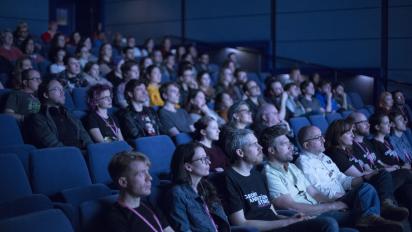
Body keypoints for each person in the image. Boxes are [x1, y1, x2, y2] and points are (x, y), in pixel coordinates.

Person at [220, 128, 340, 231]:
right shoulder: (228, 179)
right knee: (328, 224)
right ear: (240, 152)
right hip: (267, 229)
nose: (260, 147)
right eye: (254, 144)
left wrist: (295, 219)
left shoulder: (256, 175)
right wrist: (286, 222)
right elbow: (240, 223)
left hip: (279, 225)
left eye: (258, 143)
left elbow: (273, 213)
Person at [296, 125, 404, 231]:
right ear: (306, 145)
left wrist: (365, 177)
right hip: (331, 200)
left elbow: (342, 179)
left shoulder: (324, 157)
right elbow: (317, 190)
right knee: (366, 189)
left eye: (322, 136)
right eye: (318, 138)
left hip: (344, 195)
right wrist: (345, 197)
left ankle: (378, 214)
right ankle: (377, 216)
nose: (323, 140)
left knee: (378, 177)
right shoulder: (303, 162)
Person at [260, 125, 358, 229]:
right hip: (306, 219)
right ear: (271, 151)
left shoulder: (292, 167)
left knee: (362, 198)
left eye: (289, 142)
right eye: (284, 144)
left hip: (320, 212)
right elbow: (289, 206)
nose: (291, 146)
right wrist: (332, 206)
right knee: (357, 214)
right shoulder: (269, 174)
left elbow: (314, 193)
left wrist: (335, 204)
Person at [324, 119, 408, 221]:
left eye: (352, 132)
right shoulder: (335, 153)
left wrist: (372, 171)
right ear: (338, 135)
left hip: (367, 182)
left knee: (405, 183)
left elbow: (367, 167)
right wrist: (373, 172)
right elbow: (357, 176)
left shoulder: (348, 150)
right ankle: (386, 204)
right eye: (348, 132)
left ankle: (388, 205)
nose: (353, 135)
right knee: (392, 174)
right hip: (360, 188)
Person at [348, 111, 412, 227]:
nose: (368, 124)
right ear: (353, 126)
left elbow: (378, 162)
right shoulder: (351, 146)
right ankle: (387, 207)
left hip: (383, 177)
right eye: (363, 122)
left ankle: (392, 210)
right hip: (373, 181)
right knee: (405, 174)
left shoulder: (367, 142)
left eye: (367, 121)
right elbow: (364, 172)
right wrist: (393, 168)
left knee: (407, 189)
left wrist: (392, 167)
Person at [167, 143, 230, 231]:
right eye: (203, 159)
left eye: (207, 158)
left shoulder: (205, 186)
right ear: (188, 166)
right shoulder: (177, 193)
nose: (209, 162)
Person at [107, 151, 174, 232]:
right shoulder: (116, 218)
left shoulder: (149, 204)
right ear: (123, 182)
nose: (149, 178)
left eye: (147, 172)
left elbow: (168, 229)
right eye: (141, 174)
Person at [28, 78, 92, 148]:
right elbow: (52, 144)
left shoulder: (69, 114)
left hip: (82, 153)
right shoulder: (38, 118)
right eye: (57, 89)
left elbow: (85, 136)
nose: (63, 92)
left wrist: (92, 150)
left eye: (62, 89)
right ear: (46, 95)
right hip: (64, 155)